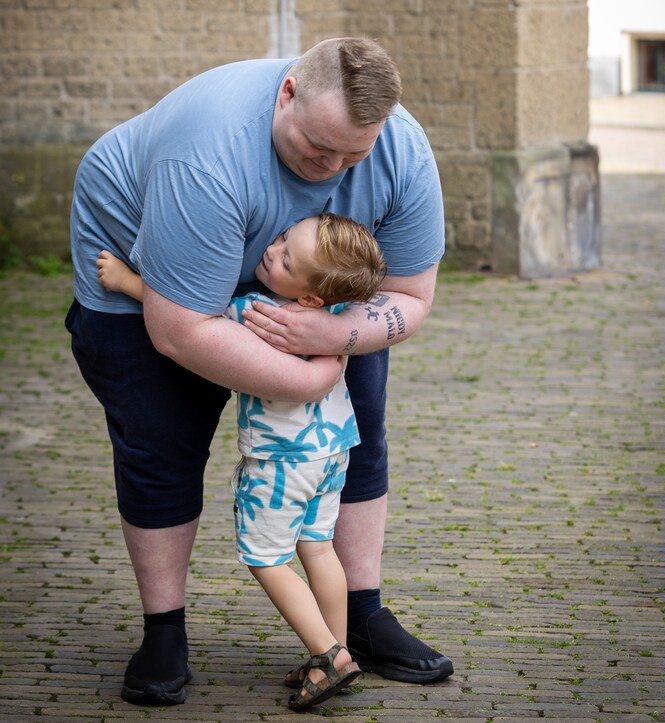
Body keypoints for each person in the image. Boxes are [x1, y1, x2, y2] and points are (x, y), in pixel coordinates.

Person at [66, 36, 453, 707]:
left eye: (352, 157)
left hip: (311, 298)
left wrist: (334, 335)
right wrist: (310, 378)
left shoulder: (402, 151)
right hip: (152, 279)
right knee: (161, 442)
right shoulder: (207, 150)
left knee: (359, 436)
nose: (331, 170)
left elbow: (411, 296)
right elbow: (178, 329)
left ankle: (360, 617)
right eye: (318, 148)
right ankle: (164, 629)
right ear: (287, 94)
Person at [97, 213, 386, 710]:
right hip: (333, 451)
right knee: (318, 549)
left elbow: (183, 312)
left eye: (287, 260)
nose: (271, 252)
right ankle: (336, 654)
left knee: (265, 558)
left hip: (281, 463)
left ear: (309, 297)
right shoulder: (337, 314)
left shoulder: (258, 311)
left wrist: (127, 282)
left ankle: (329, 656)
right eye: (281, 240)